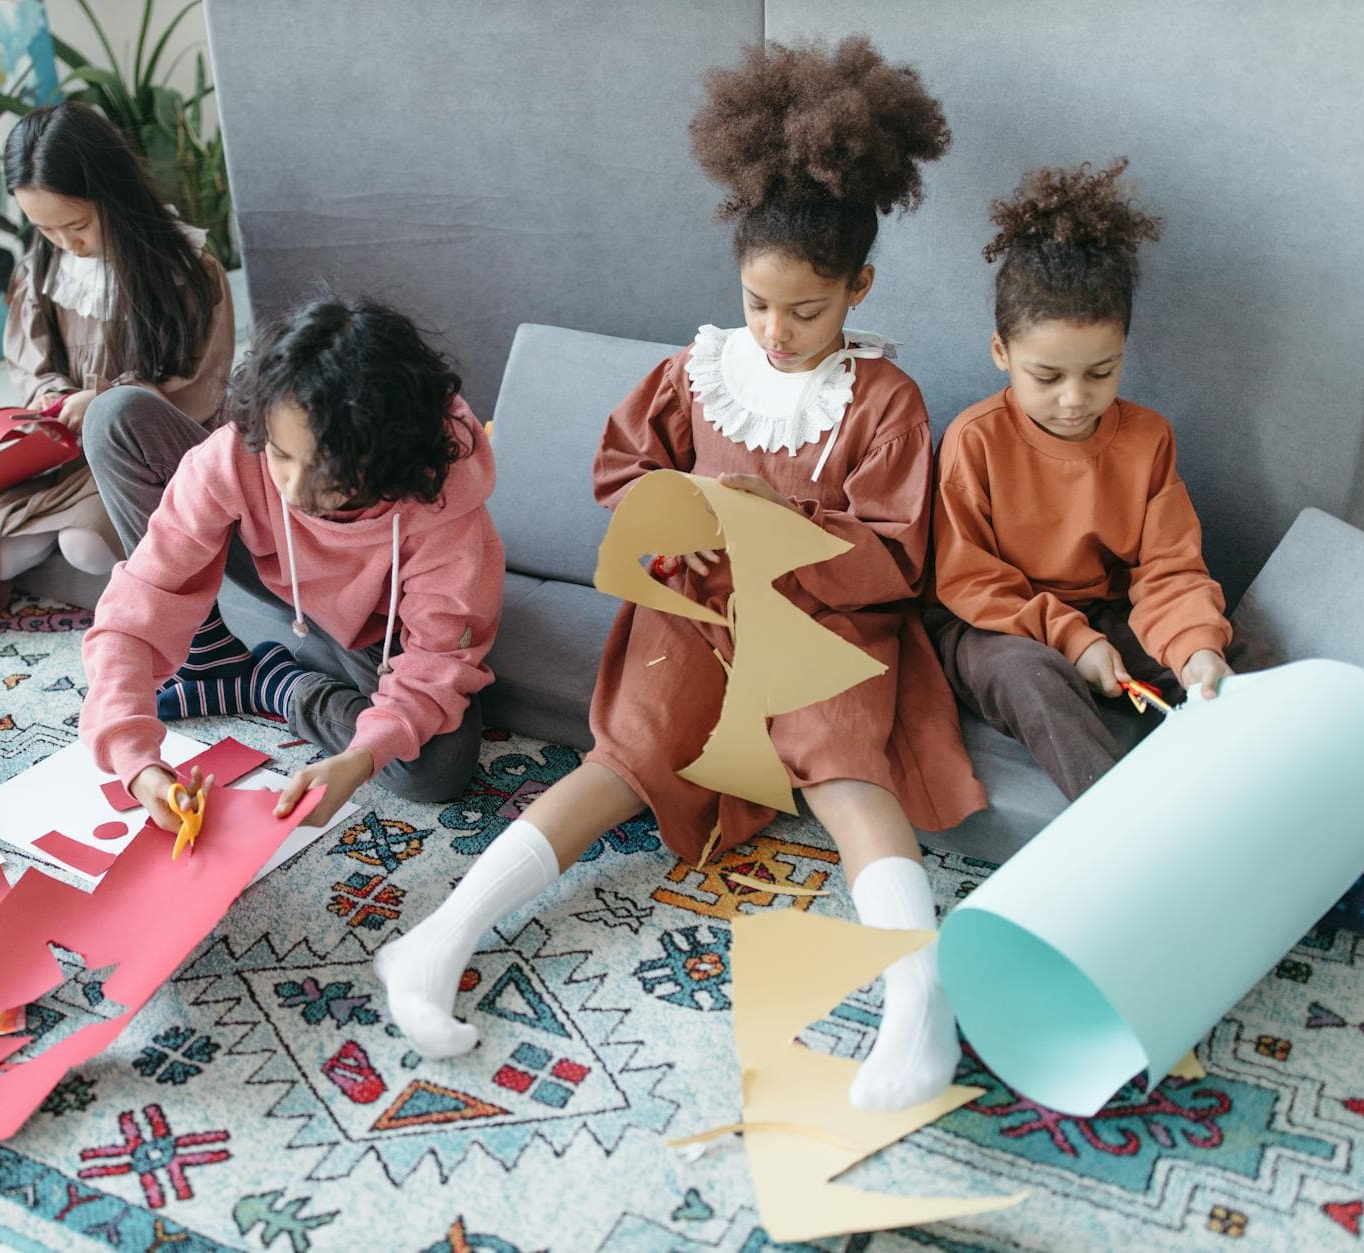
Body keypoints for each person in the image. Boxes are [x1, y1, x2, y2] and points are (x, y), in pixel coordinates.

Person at [375, 36, 986, 1113]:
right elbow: (624, 477)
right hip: (697, 609)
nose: (777, 330)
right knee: (631, 753)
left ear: (857, 287)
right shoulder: (692, 371)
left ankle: (915, 993)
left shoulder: (883, 400)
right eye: (758, 302)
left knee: (846, 764)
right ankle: (436, 936)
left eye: (805, 309)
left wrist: (779, 526)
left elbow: (894, 553)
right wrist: (684, 528)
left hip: (821, 617)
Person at [80, 297, 504, 832]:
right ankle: (209, 660)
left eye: (329, 471)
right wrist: (133, 758)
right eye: (282, 455)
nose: (296, 489)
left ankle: (277, 685)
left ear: (390, 457)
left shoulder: (443, 507)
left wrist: (358, 759)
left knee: (435, 771)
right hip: (272, 566)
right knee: (115, 416)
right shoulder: (240, 451)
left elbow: (438, 661)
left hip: (380, 625)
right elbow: (139, 599)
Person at [930, 159, 1232, 800]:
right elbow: (970, 582)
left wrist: (1196, 651)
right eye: (1047, 377)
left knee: (1222, 658)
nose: (1074, 400)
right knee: (1032, 679)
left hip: (1105, 612)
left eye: (1101, 373)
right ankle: (1122, 823)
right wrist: (1075, 644)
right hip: (995, 626)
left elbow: (1171, 571)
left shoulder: (1148, 438)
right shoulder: (975, 438)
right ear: (1001, 353)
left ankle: (1236, 797)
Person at [0, 101, 237, 637]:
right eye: (45, 229)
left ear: (113, 195)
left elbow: (198, 386)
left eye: (76, 225)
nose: (65, 243)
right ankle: (104, 573)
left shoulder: (186, 270)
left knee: (84, 546)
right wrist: (53, 397)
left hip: (134, 456)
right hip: (60, 451)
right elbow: (30, 359)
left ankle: (146, 588)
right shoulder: (48, 263)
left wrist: (100, 401)